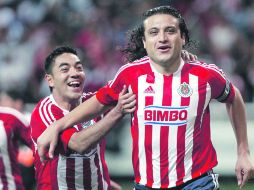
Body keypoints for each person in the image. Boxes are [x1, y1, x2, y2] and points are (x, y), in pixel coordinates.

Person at [37, 6, 254, 189]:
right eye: (154, 32)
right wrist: (57, 126)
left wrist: (243, 151)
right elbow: (99, 102)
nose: (162, 38)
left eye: (170, 31)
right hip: (147, 183)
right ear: (144, 40)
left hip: (197, 180)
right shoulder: (130, 75)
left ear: (183, 37)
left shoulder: (205, 75)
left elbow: (233, 97)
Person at [30, 46, 136, 190]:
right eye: (65, 69)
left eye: (79, 68)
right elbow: (79, 144)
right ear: (50, 80)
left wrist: (106, 184)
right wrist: (117, 113)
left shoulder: (94, 103)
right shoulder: (45, 112)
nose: (75, 73)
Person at [0, 92, 33, 190]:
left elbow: (40, 147)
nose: (3, 103)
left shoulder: (14, 117)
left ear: (18, 103)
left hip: (11, 184)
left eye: (6, 100)